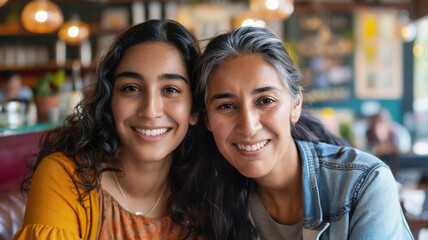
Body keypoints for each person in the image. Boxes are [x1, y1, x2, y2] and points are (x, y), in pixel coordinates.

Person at [182, 27, 413, 239]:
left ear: (295, 105)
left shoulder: (363, 185)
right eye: (227, 106)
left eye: (265, 101)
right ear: (207, 119)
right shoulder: (209, 202)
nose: (248, 126)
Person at [13, 19, 200, 240]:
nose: (150, 111)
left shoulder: (210, 189)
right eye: (131, 88)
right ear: (110, 99)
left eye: (170, 89)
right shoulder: (67, 176)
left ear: (195, 109)